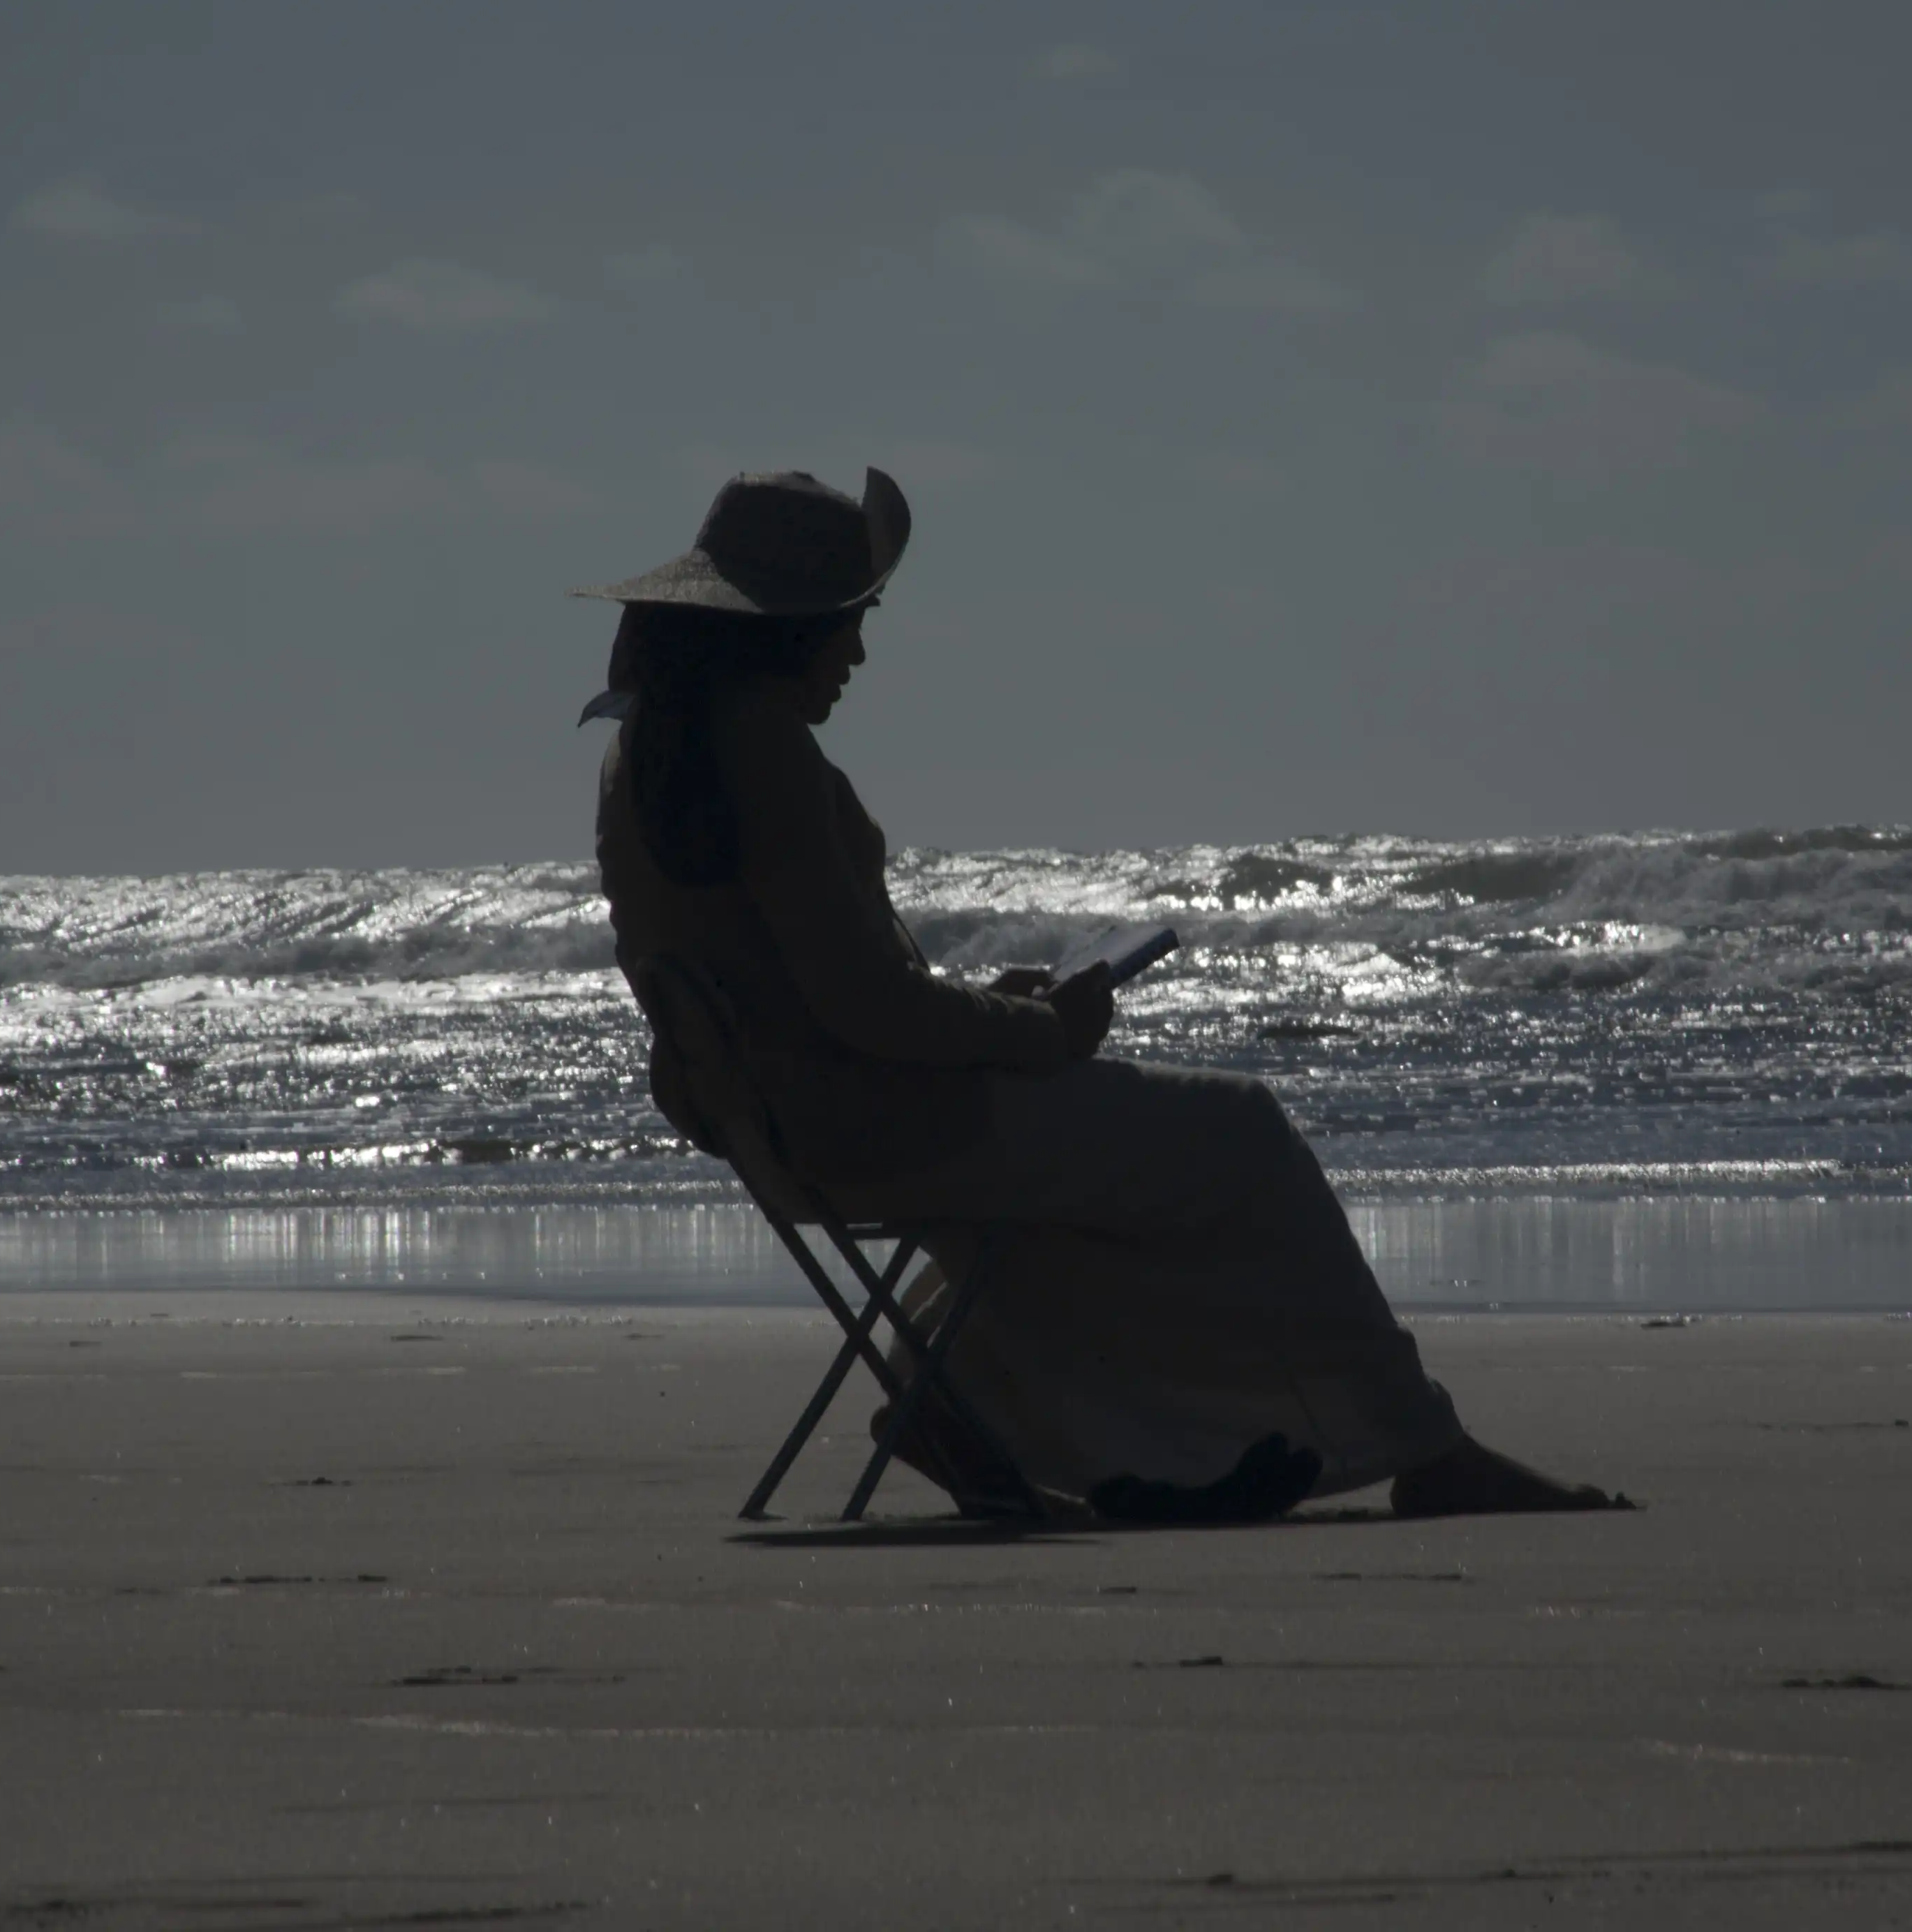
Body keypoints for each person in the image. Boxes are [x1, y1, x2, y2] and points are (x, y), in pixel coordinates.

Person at [582, 466, 1627, 1520]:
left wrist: (988, 1014)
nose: (856, 652)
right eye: (847, 622)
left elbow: (808, 997)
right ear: (787, 629)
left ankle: (987, 1420)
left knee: (1065, 1200)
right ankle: (1423, 1446)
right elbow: (867, 1012)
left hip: (799, 1140)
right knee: (1243, 1131)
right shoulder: (764, 754)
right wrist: (1042, 1029)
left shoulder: (647, 759)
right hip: (887, 1130)